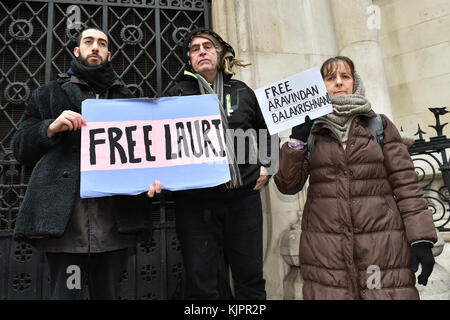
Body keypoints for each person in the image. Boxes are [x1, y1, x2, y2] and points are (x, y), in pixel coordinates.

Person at [274, 56, 437, 300]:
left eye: (345, 76)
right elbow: (288, 185)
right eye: (330, 78)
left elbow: (406, 185)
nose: (338, 83)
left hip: (381, 248)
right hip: (328, 252)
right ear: (320, 87)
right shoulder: (311, 131)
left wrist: (421, 238)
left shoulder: (378, 125)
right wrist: (296, 142)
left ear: (355, 81)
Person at [11, 27, 153, 300]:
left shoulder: (128, 100)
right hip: (66, 228)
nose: (95, 47)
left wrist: (151, 181)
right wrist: (49, 128)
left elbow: (146, 154)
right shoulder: (48, 94)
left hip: (115, 225)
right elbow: (19, 148)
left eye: (102, 43)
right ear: (77, 51)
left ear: (109, 54)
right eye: (88, 42)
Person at [148, 27, 271, 299]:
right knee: (204, 280)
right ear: (189, 59)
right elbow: (161, 143)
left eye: (208, 46)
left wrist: (267, 165)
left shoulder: (242, 91)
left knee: (250, 275)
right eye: (195, 49)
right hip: (196, 202)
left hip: (243, 199)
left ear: (219, 53)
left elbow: (265, 131)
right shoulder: (176, 94)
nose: (202, 51)